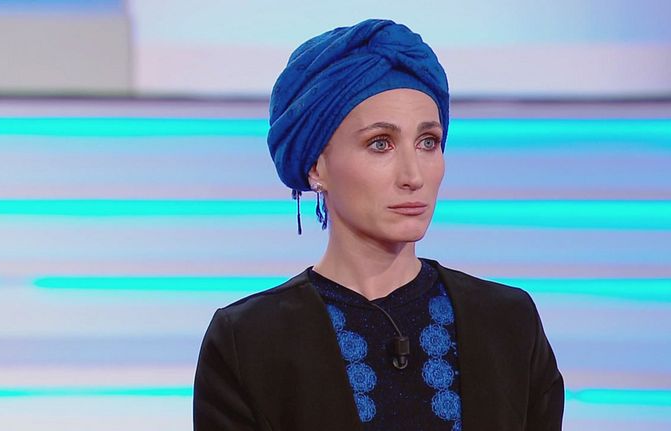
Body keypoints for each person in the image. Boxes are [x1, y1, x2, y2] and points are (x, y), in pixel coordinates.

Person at [193, 18, 564, 431]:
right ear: (316, 166)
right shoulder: (248, 340)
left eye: (428, 142)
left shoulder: (509, 323)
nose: (413, 175)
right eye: (380, 144)